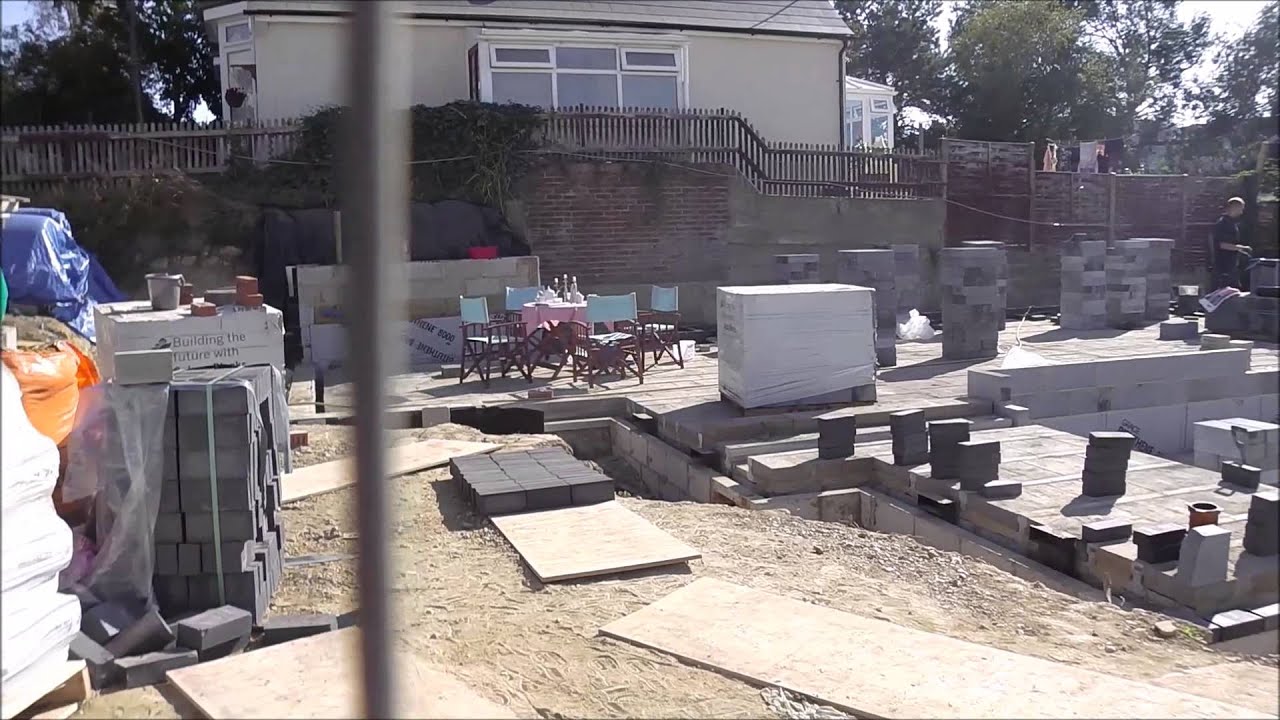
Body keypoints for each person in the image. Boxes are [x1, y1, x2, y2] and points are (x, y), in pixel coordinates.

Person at [1211, 197, 1251, 290]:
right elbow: (1222, 245)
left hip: (1231, 267)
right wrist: (1242, 248)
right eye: (1240, 209)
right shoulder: (1223, 224)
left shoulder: (1232, 224)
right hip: (1223, 267)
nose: (1241, 212)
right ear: (1234, 208)